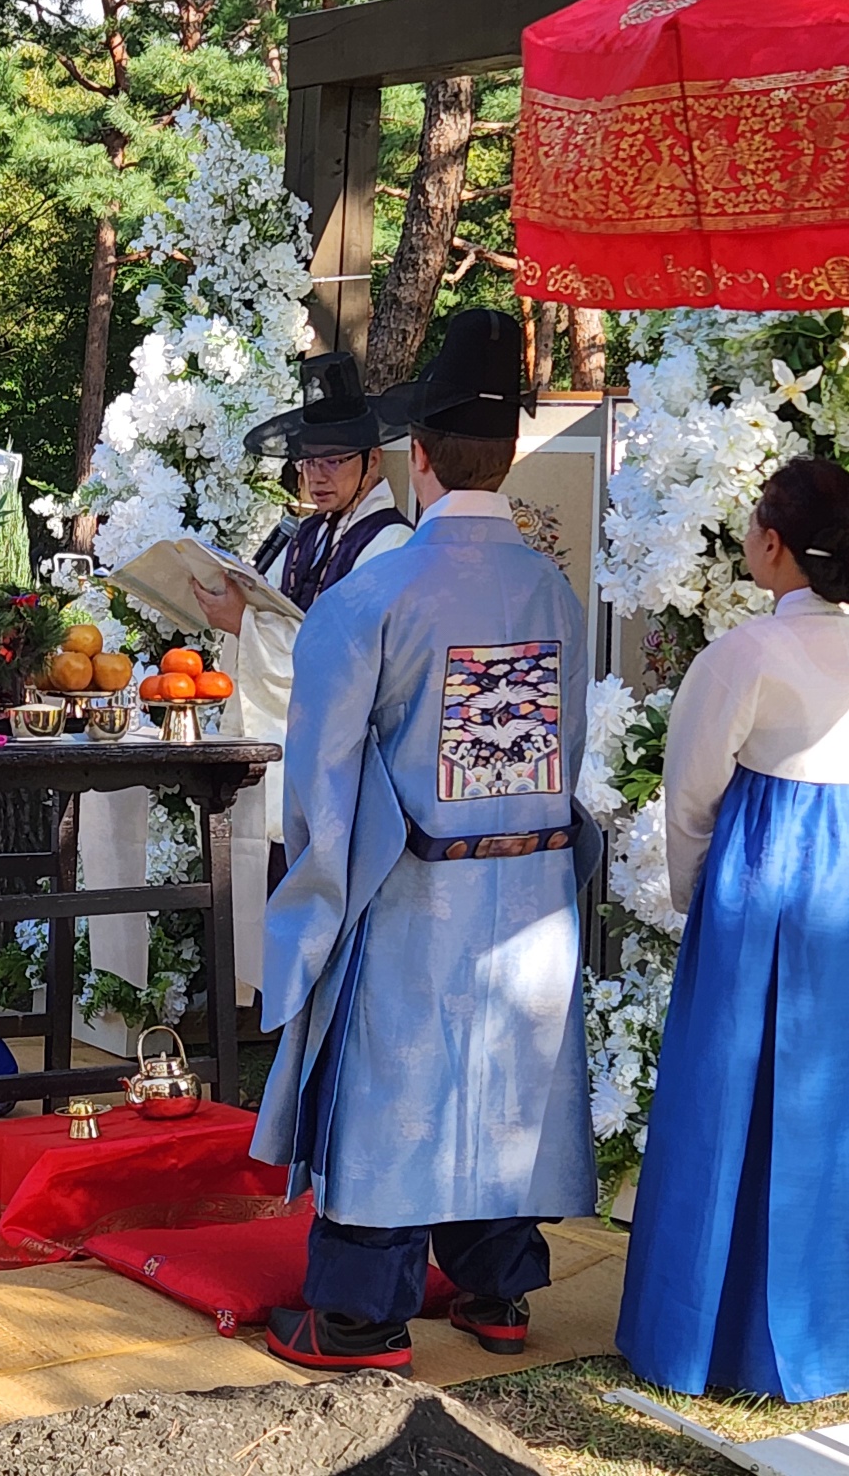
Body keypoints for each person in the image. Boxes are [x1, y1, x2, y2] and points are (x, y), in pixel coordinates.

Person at [251, 309, 601, 1372]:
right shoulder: (551, 590)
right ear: (505, 454)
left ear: (414, 456)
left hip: (411, 886)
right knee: (505, 1076)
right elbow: (567, 743)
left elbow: (318, 773)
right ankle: (497, 1286)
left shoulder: (372, 594)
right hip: (529, 883)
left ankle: (358, 1309)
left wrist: (315, 888)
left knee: (390, 1087)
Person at [617, 457, 849, 1403]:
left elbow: (693, 789)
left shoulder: (745, 653)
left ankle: (701, 1332)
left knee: (725, 1090)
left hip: (767, 867)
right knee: (826, 1098)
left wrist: (692, 891)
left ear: (774, 544)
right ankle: (821, 1328)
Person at [193, 353, 412, 887]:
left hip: (348, 764)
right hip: (290, 750)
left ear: (373, 462)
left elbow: (349, 660)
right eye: (309, 462)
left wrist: (246, 624)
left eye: (335, 460)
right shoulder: (308, 534)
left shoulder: (392, 543)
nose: (317, 476)